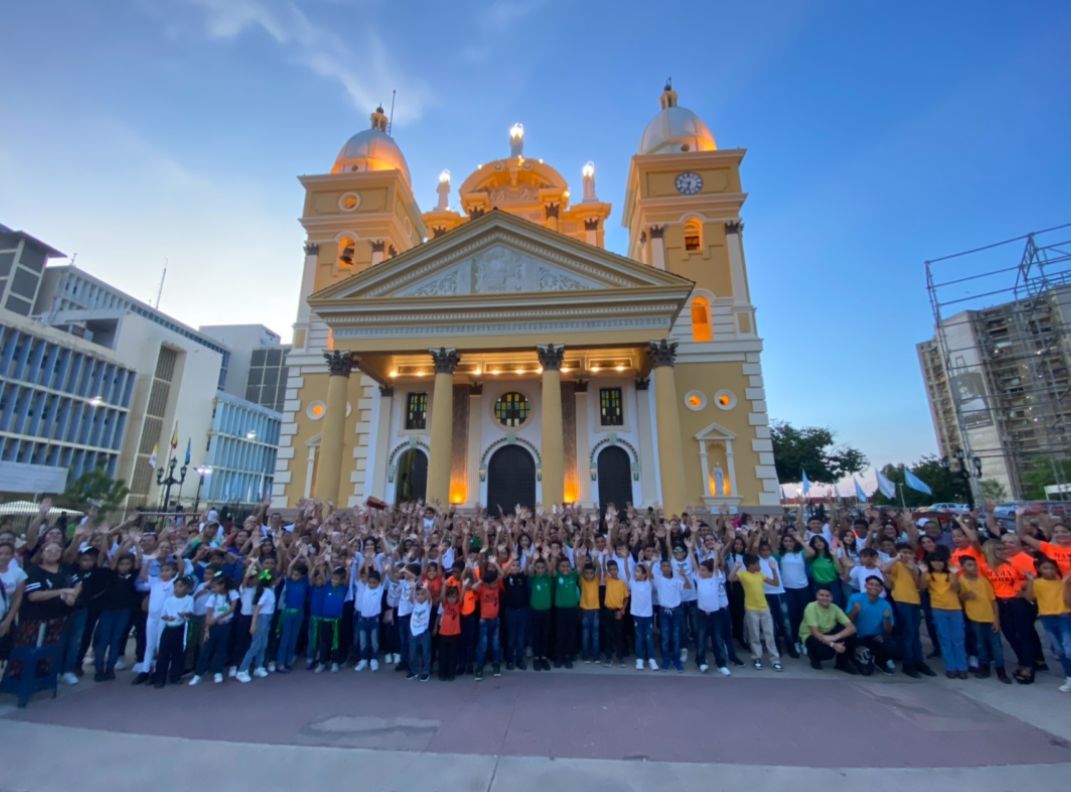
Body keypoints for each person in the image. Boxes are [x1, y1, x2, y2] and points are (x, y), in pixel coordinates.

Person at [983, 539, 1035, 684]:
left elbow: (1028, 577)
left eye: (1003, 548)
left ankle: (1028, 667)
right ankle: (1023, 661)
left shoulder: (1012, 564)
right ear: (991, 551)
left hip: (1017, 602)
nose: (1003, 551)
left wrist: (1020, 587)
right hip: (999, 603)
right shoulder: (985, 567)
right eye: (999, 549)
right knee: (1010, 635)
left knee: (1024, 635)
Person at [957, 555, 1011, 684]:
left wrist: (996, 619)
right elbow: (959, 599)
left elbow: (993, 601)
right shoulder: (961, 581)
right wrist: (965, 596)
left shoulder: (983, 580)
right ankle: (984, 668)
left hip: (990, 618)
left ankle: (1001, 671)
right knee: (980, 644)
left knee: (996, 645)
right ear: (963, 567)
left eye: (975, 565)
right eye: (970, 565)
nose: (974, 567)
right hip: (975, 618)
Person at [884, 543, 934, 678]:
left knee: (915, 633)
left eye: (909, 553)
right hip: (902, 601)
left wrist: (920, 572)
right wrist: (897, 558)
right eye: (903, 552)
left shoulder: (915, 567)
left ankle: (918, 661)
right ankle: (908, 663)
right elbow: (885, 569)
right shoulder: (897, 565)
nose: (906, 555)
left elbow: (921, 586)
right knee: (908, 633)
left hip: (915, 601)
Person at [729, 553, 782, 671]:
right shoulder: (743, 575)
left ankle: (775, 659)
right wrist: (736, 567)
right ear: (751, 565)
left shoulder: (761, 575)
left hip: (764, 608)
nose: (759, 565)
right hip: (751, 609)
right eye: (757, 563)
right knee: (754, 636)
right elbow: (731, 578)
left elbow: (775, 583)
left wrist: (774, 570)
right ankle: (756, 658)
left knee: (770, 634)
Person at [1025, 557, 1071, 693]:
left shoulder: (1061, 582)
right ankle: (1069, 676)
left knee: (1068, 647)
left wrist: (1066, 584)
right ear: (1039, 569)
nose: (1049, 571)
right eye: (1045, 568)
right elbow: (1029, 598)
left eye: (1052, 568)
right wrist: (1030, 581)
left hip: (1064, 616)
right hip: (1047, 618)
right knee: (1058, 649)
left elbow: (1068, 602)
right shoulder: (1037, 583)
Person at [93, 553, 139, 682]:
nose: (124, 567)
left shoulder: (132, 576)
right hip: (108, 611)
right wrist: (123, 545)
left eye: (127, 564)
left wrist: (135, 542)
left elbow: (139, 562)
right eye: (122, 564)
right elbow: (112, 559)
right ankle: (99, 669)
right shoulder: (110, 575)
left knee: (116, 640)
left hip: (124, 611)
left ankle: (110, 669)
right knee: (103, 640)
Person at [922, 548, 967, 679]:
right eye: (934, 561)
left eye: (940, 561)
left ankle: (962, 667)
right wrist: (923, 572)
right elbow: (922, 587)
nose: (938, 564)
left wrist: (954, 574)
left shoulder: (951, 574)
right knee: (945, 639)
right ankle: (950, 667)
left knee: (958, 639)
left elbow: (956, 588)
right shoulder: (929, 575)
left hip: (955, 609)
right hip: (938, 608)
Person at [189, 571, 238, 685]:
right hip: (213, 626)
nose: (213, 588)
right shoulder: (213, 597)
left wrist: (217, 618)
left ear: (223, 585)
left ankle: (218, 671)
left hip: (225, 624)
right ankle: (198, 674)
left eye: (216, 585)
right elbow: (209, 612)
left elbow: (232, 608)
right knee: (206, 649)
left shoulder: (231, 593)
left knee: (221, 649)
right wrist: (207, 629)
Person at [800, 586, 857, 673]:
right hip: (811, 635)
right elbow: (815, 632)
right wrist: (834, 645)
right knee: (827, 653)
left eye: (827, 596)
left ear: (832, 597)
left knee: (850, 634)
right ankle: (813, 656)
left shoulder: (835, 607)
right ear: (816, 596)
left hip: (828, 634)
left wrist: (834, 637)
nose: (824, 598)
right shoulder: (811, 607)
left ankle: (842, 664)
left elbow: (852, 628)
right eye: (821, 595)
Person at [847, 576, 896, 676]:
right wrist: (854, 611)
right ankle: (855, 657)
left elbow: (888, 631)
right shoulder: (855, 598)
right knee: (867, 671)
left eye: (877, 585)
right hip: (857, 637)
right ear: (865, 585)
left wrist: (887, 619)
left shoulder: (885, 604)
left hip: (874, 637)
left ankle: (880, 661)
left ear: (881, 589)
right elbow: (847, 623)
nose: (874, 587)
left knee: (892, 646)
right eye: (871, 584)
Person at [153, 575, 194, 688]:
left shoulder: (189, 599)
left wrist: (184, 614)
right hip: (169, 628)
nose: (177, 589)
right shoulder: (169, 600)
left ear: (186, 588)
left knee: (178, 653)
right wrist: (167, 618)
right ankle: (159, 678)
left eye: (181, 586)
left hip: (180, 627)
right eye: (176, 586)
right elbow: (163, 614)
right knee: (163, 653)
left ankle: (175, 676)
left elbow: (189, 612)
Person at [236, 570, 276, 683]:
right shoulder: (266, 592)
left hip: (267, 618)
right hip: (261, 618)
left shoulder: (269, 590)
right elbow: (258, 608)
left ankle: (259, 666)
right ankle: (242, 670)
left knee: (263, 644)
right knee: (255, 645)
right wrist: (253, 624)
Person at [275, 559, 309, 673]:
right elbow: (289, 567)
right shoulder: (289, 581)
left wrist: (305, 557)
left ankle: (288, 661)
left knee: (293, 638)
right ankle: (280, 663)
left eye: (297, 575)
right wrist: (299, 555)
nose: (294, 576)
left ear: (302, 576)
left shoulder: (304, 582)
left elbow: (310, 567)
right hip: (288, 612)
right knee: (285, 638)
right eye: (294, 574)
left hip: (299, 613)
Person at [472, 563, 504, 679]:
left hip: (495, 620)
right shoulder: (482, 587)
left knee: (496, 644)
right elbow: (473, 587)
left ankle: (496, 665)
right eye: (492, 583)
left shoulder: (496, 586)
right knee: (483, 645)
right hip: (484, 620)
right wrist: (482, 581)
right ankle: (479, 667)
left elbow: (502, 574)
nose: (494, 584)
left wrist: (495, 563)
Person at [353, 562, 384, 672]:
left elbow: (382, 576)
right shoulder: (365, 587)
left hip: (374, 620)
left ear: (378, 583)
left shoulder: (379, 589)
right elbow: (366, 573)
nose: (371, 584)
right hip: (362, 619)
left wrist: (383, 569)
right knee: (363, 641)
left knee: (374, 641)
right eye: (370, 582)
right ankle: (363, 660)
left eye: (374, 582)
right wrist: (366, 561)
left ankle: (374, 660)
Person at [0, 540, 27, 666]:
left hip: (4, 616)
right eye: (0, 553)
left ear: (12, 556)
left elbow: (18, 597)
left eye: (7, 553)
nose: (3, 556)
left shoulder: (18, 573)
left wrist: (8, 620)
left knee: (2, 654)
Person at [628, 560, 656, 670]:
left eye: (638, 571)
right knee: (639, 637)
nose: (636, 573)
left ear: (644, 574)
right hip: (637, 615)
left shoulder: (648, 583)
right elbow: (627, 570)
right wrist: (626, 559)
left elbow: (649, 573)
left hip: (648, 615)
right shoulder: (633, 583)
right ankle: (639, 660)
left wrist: (651, 564)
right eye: (635, 571)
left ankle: (651, 659)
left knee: (649, 637)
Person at [552, 557, 579, 668]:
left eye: (567, 566)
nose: (565, 568)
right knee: (560, 634)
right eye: (563, 566)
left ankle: (568, 656)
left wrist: (580, 555)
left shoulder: (573, 576)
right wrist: (552, 555)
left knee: (570, 634)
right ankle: (559, 657)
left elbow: (580, 567)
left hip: (572, 610)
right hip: (560, 610)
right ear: (559, 568)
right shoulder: (557, 576)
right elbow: (552, 569)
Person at [502, 559, 529, 670]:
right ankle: (509, 660)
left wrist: (527, 558)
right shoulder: (507, 578)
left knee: (520, 637)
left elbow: (527, 570)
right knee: (511, 637)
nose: (516, 567)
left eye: (518, 565)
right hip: (510, 611)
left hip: (522, 611)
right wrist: (510, 561)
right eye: (513, 565)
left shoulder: (522, 577)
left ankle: (519, 659)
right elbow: (503, 574)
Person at [601, 559, 628, 667]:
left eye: (615, 569)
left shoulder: (622, 583)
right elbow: (603, 568)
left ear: (618, 570)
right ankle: (609, 658)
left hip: (618, 612)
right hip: (608, 611)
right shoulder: (607, 579)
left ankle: (620, 658)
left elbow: (626, 598)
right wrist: (602, 556)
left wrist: (622, 611)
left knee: (619, 635)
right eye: (610, 570)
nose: (613, 571)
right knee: (608, 635)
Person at [528, 556, 553, 671]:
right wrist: (534, 560)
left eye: (542, 568)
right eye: (538, 568)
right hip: (535, 611)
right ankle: (536, 658)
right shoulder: (533, 579)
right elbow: (529, 570)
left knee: (545, 635)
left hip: (547, 612)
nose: (540, 570)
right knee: (536, 635)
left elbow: (551, 570)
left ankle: (543, 657)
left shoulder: (548, 578)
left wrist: (546, 558)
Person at [436, 586, 462, 681]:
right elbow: (442, 597)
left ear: (457, 597)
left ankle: (451, 673)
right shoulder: (445, 604)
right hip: (443, 634)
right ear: (447, 597)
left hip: (454, 634)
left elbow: (461, 596)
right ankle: (442, 673)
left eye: (454, 597)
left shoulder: (458, 605)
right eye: (450, 597)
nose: (452, 599)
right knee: (443, 655)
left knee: (452, 655)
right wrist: (444, 585)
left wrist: (463, 587)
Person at [408, 584, 433, 682]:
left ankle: (426, 672)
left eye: (422, 594)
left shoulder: (427, 604)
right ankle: (414, 671)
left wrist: (426, 588)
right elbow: (410, 598)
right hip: (413, 632)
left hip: (424, 632)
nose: (420, 596)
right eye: (418, 594)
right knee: (412, 653)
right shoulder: (415, 603)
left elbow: (430, 597)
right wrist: (413, 588)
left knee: (426, 653)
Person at [578, 562, 601, 664]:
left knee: (595, 634)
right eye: (586, 573)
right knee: (585, 634)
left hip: (595, 611)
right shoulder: (582, 581)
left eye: (591, 573)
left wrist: (596, 559)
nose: (589, 575)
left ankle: (596, 656)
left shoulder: (596, 580)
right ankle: (585, 656)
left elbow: (599, 569)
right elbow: (580, 572)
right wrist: (583, 561)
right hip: (585, 611)